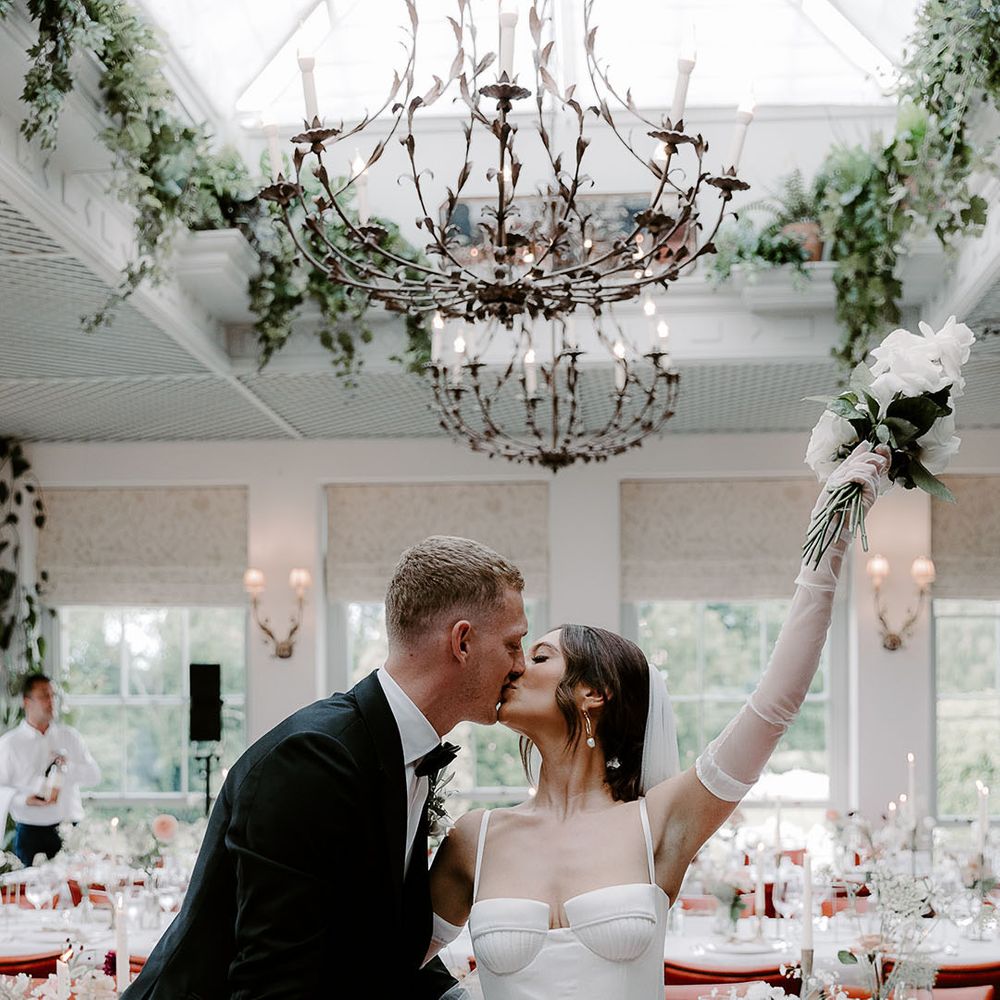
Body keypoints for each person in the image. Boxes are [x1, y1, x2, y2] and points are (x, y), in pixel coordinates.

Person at [427, 443, 890, 999]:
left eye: (542, 656)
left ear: (593, 693)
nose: (517, 664)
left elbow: (773, 707)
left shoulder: (659, 822)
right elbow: (383, 968)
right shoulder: (474, 838)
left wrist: (828, 542)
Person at [127, 535, 529, 1000]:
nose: (519, 666)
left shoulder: (405, 751)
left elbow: (371, 947)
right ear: (461, 642)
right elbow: (276, 984)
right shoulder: (315, 760)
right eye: (513, 644)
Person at [0, 673, 101, 866]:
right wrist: (23, 799)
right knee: (32, 894)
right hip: (30, 834)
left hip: (70, 831)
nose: (51, 701)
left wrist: (66, 767)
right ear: (27, 702)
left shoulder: (70, 737)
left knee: (75, 893)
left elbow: (94, 776)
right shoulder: (9, 744)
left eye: (54, 695)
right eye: (45, 696)